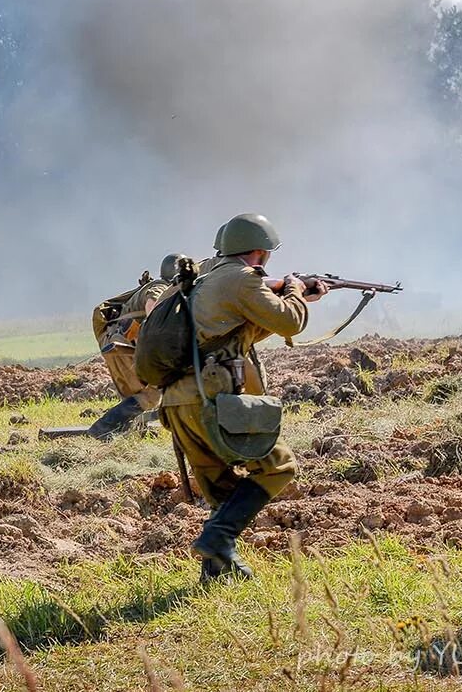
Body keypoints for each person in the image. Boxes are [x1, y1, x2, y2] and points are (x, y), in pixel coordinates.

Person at [159, 213, 326, 582]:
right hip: (211, 396)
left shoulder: (202, 278)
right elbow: (289, 323)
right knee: (279, 466)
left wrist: (286, 293)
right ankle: (218, 537)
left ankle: (216, 570)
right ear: (259, 253)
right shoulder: (241, 279)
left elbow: (235, 335)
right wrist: (296, 291)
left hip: (176, 401)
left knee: (221, 488)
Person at [87, 254, 189, 439]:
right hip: (122, 346)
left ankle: (128, 432)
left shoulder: (162, 286)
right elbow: (153, 308)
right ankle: (101, 429)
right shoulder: (161, 287)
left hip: (118, 345)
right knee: (152, 393)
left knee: (137, 393)